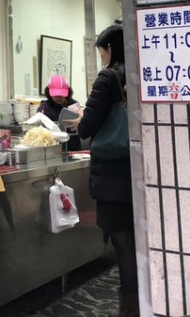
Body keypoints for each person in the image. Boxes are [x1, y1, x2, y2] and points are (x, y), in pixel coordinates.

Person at [64, 24, 139, 317]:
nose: (102, 58)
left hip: (112, 176)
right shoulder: (137, 74)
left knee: (123, 244)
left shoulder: (108, 77)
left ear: (110, 49)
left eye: (101, 52)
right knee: (137, 243)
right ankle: (145, 304)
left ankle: (130, 309)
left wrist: (81, 118)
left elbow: (87, 127)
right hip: (137, 170)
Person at [37, 74, 82, 151]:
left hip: (74, 147)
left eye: (62, 95)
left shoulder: (73, 104)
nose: (59, 98)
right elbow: (40, 131)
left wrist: (81, 119)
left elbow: (85, 122)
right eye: (56, 95)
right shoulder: (45, 108)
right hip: (54, 149)